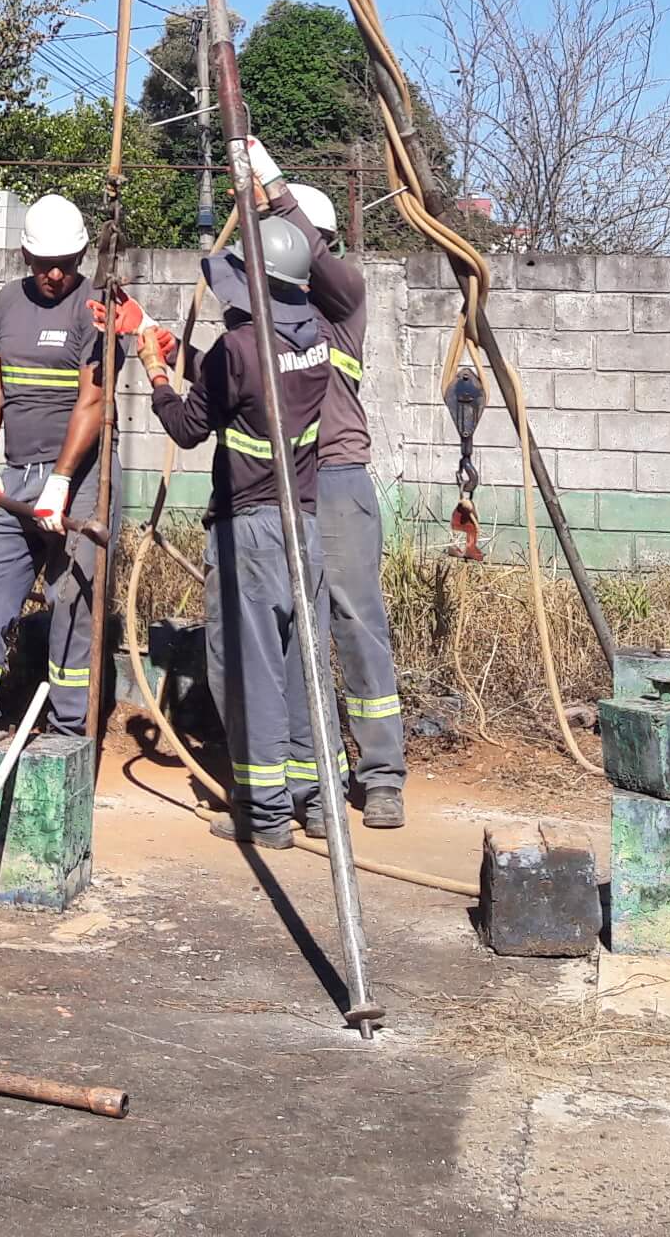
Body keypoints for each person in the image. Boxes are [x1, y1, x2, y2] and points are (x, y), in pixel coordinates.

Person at [139, 212, 334, 849]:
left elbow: (192, 428)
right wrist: (185, 355)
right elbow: (249, 382)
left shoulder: (238, 349)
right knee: (301, 666)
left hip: (248, 530)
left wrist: (157, 375)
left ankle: (266, 814)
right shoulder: (315, 336)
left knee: (248, 671)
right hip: (302, 524)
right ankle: (318, 803)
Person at [251, 140, 406, 829]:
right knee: (291, 636)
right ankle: (305, 783)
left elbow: (316, 260)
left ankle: (382, 776)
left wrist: (270, 179)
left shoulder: (343, 303)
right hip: (282, 485)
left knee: (355, 623)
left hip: (338, 479)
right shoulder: (266, 315)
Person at [0, 192, 117, 737]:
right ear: (25, 256)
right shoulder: (5, 305)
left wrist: (62, 481)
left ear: (84, 254)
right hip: (14, 478)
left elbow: (93, 402)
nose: (55, 275)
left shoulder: (97, 307)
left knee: (74, 606)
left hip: (81, 481)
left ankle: (69, 733)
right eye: (44, 264)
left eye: (66, 264)